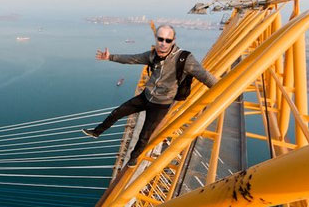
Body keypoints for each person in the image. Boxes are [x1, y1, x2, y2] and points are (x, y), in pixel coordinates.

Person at [82, 25, 217, 167]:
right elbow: (132, 59)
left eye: (167, 40)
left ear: (173, 41)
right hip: (146, 96)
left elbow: (205, 76)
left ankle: (133, 159)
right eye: (160, 39)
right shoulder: (152, 55)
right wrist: (110, 57)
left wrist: (222, 89)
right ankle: (96, 132)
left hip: (161, 104)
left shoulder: (184, 59)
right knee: (117, 112)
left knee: (145, 134)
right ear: (156, 39)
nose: (163, 43)